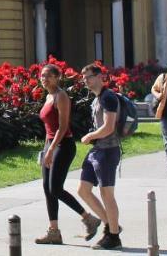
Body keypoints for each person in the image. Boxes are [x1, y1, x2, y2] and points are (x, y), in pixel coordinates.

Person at [34, 64, 102, 245]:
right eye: (42, 75)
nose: (44, 79)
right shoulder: (48, 96)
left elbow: (63, 128)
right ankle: (54, 231)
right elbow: (49, 128)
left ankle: (89, 219)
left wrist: (51, 149)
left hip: (64, 145)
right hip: (51, 144)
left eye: (48, 76)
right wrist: (46, 149)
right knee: (47, 189)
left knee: (55, 188)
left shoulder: (61, 96)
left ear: (57, 77)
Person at [77, 63, 124, 250]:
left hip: (108, 151)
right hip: (96, 151)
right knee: (83, 190)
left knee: (107, 194)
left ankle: (113, 237)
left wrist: (90, 136)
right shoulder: (97, 99)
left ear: (99, 76)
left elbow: (109, 127)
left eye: (88, 77)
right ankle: (112, 226)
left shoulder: (108, 97)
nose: (85, 81)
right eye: (84, 78)